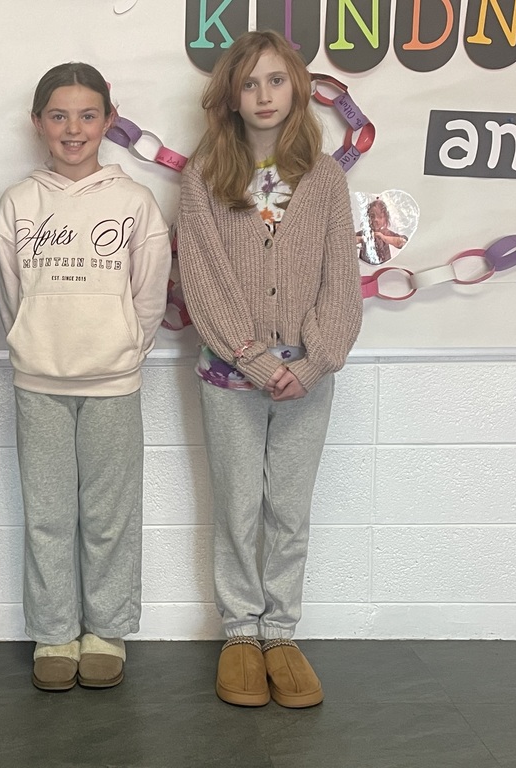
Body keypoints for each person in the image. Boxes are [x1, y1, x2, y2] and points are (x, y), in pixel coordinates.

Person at [177, 30, 362, 708]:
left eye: (275, 81)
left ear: (298, 89)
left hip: (308, 380)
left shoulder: (324, 177)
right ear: (230, 92)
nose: (262, 95)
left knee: (288, 508)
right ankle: (239, 636)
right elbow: (202, 275)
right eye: (250, 82)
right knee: (237, 505)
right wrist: (253, 359)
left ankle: (280, 633)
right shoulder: (203, 177)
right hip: (232, 378)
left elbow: (341, 278)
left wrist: (314, 363)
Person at [0, 62, 170, 692]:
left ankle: (107, 630)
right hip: (38, 381)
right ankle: (54, 631)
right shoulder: (19, 202)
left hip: (113, 384)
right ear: (38, 123)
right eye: (59, 116)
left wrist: (124, 348)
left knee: (108, 514)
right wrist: (30, 344)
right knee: (46, 513)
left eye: (87, 115)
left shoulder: (134, 202)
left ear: (109, 122)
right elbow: (11, 297)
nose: (73, 129)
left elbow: (149, 296)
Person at [357, 197, 408, 264]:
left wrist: (384, 238)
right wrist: (363, 239)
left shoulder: (386, 232)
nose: (376, 220)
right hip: (365, 267)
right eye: (372, 216)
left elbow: (403, 242)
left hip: (384, 266)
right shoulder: (365, 232)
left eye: (380, 217)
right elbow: (347, 241)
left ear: (385, 218)